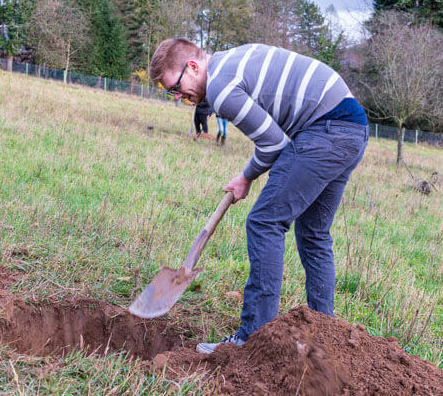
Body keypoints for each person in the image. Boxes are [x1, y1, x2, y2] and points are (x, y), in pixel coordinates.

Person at [149, 38, 368, 354]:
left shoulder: (221, 89)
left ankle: (251, 338)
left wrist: (246, 176)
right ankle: (324, 335)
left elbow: (273, 144)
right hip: (352, 127)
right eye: (174, 94)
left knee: (264, 222)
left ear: (193, 66)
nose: (180, 97)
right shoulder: (229, 59)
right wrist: (247, 177)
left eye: (177, 87)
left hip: (324, 129)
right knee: (314, 233)